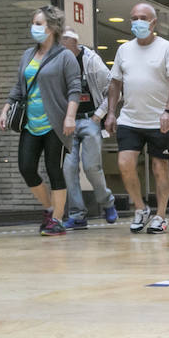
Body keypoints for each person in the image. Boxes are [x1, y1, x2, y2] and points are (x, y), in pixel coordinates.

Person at [0, 5, 80, 237]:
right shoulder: (27, 55)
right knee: (26, 167)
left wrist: (70, 117)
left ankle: (56, 221)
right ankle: (49, 208)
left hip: (56, 123)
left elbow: (75, 89)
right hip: (30, 123)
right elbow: (18, 88)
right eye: (33, 23)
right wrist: (5, 110)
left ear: (52, 27)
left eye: (38, 23)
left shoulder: (65, 56)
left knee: (54, 169)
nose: (33, 28)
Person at [105, 2, 169, 235]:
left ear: (153, 22)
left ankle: (160, 215)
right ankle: (140, 208)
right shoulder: (124, 50)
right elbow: (115, 82)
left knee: (160, 168)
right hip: (130, 118)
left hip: (158, 120)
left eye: (142, 17)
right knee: (124, 164)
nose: (137, 21)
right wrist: (111, 112)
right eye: (133, 17)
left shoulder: (166, 48)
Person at [58, 29, 117, 229]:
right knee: (68, 168)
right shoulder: (58, 62)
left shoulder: (92, 61)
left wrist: (98, 116)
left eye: (64, 43)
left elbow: (113, 88)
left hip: (90, 119)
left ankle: (107, 202)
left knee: (92, 167)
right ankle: (77, 215)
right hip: (67, 122)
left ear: (74, 43)